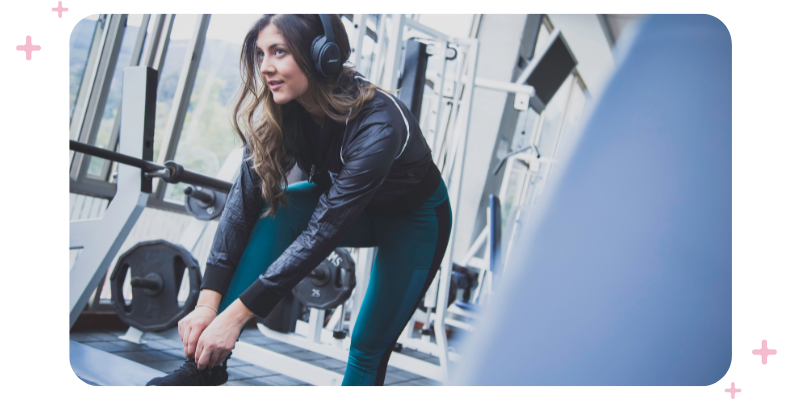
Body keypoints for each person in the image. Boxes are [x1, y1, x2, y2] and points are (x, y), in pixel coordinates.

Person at [146, 14, 452, 386]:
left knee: (368, 346)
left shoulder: (379, 123)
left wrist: (237, 316)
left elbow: (323, 231)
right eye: (260, 54)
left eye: (279, 52)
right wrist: (208, 306)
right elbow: (240, 209)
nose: (266, 67)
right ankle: (206, 367)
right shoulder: (284, 111)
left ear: (324, 56)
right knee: (280, 209)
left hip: (415, 220)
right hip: (353, 211)